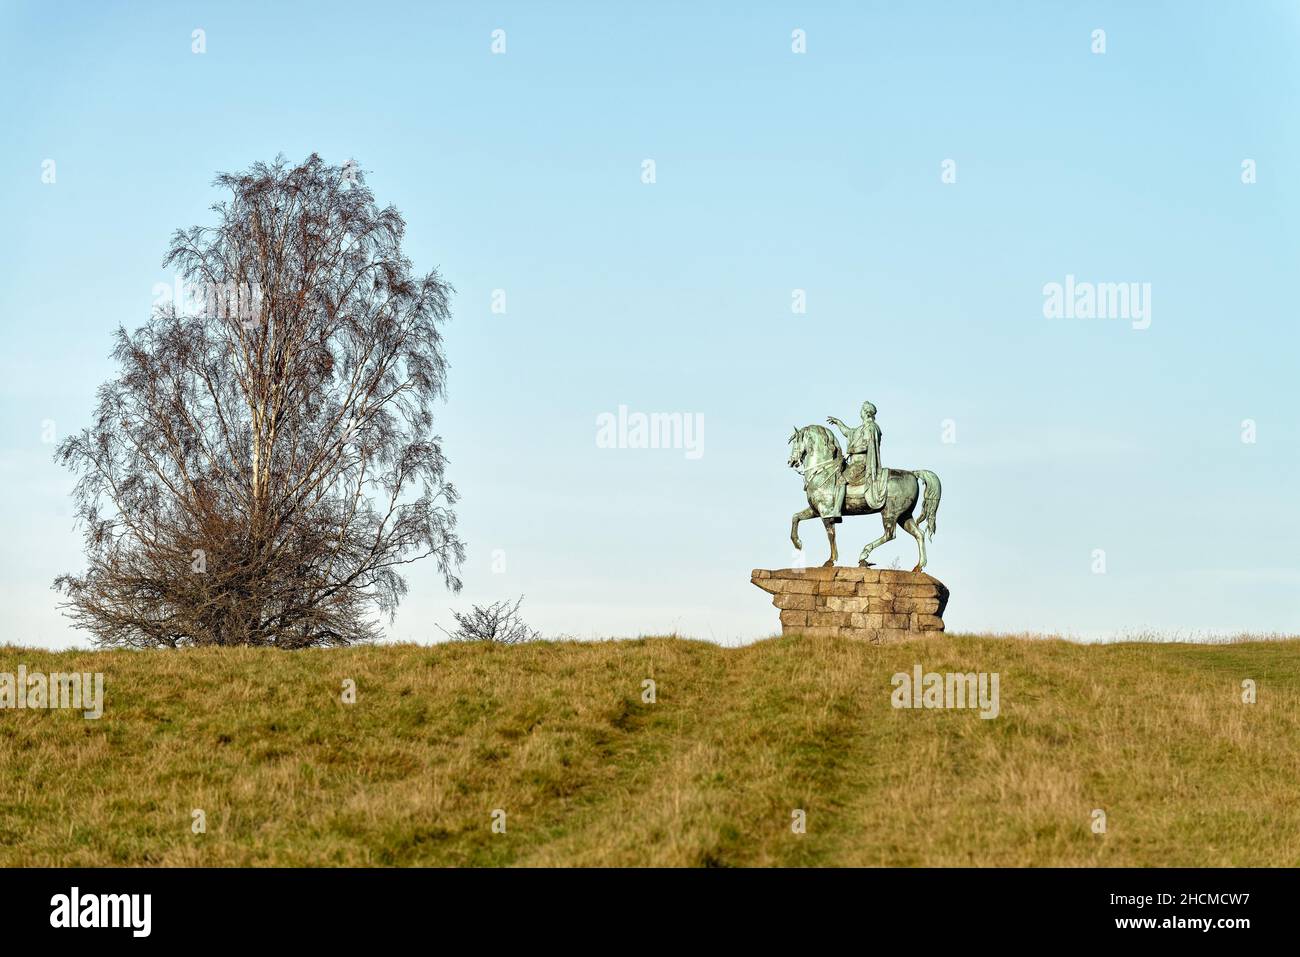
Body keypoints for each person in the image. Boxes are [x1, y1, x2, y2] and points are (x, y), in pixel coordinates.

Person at [825, 401, 887, 518]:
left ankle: (837, 510)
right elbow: (849, 432)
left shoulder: (871, 427)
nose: (860, 412)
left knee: (841, 480)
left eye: (861, 410)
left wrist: (851, 450)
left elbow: (869, 445)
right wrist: (839, 423)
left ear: (865, 412)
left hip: (862, 464)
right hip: (854, 463)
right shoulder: (862, 428)